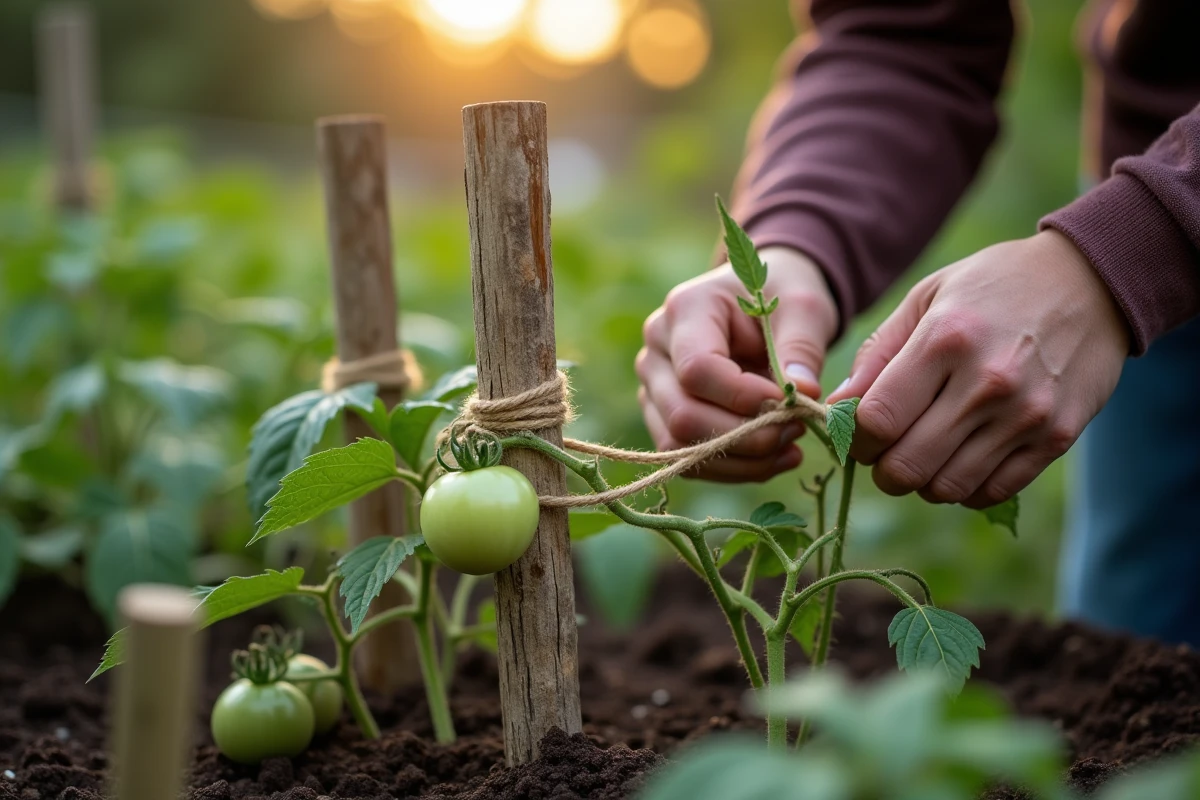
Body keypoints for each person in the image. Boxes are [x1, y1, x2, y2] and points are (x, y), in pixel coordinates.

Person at [636, 1, 1200, 645]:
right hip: (1150, 167)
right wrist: (793, 243)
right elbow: (904, 23)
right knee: (1140, 654)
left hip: (1155, 213)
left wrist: (1127, 249)